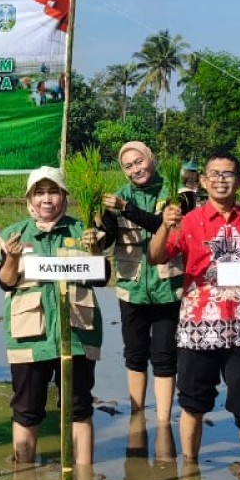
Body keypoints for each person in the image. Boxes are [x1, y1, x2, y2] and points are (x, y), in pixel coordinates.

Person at [147, 152, 240, 472]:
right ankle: (190, 468)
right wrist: (164, 228)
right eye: (215, 174)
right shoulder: (189, 222)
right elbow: (156, 257)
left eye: (228, 174)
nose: (221, 180)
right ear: (204, 181)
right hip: (197, 328)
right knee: (193, 404)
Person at [0, 166, 104, 466]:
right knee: (27, 409)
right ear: (29, 201)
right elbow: (6, 281)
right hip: (30, 337)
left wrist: (94, 251)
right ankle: (24, 475)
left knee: (78, 408)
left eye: (53, 191)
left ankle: (83, 478)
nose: (47, 199)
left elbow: (99, 277)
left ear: (64, 198)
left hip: (78, 334)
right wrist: (13, 258)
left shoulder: (84, 233)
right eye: (39, 193)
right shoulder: (13, 235)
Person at [100, 141, 182, 423]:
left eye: (139, 162)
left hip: (167, 287)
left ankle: (162, 420)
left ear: (152, 159)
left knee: (164, 355)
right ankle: (137, 416)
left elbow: (160, 225)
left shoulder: (173, 194)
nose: (136, 169)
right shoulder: (118, 197)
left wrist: (127, 208)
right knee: (134, 354)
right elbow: (109, 237)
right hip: (131, 286)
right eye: (129, 166)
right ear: (124, 172)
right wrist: (98, 228)